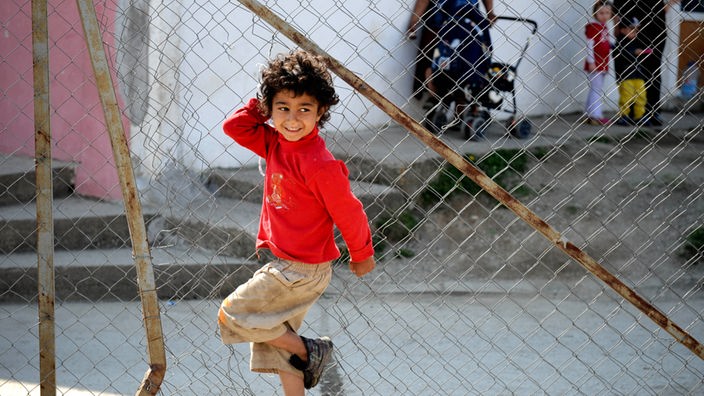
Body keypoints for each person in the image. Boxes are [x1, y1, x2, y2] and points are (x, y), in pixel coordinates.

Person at [217, 50, 376, 395]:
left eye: (304, 109)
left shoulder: (319, 163)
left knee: (234, 313)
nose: (292, 119)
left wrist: (361, 253)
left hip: (302, 270)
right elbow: (234, 127)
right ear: (270, 111)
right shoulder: (275, 143)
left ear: (321, 112)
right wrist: (263, 103)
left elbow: (349, 211)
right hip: (285, 264)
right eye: (282, 109)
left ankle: (312, 350)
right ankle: (302, 355)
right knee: (278, 350)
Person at [407, 0, 497, 103]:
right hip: (441, 21)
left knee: (469, 60)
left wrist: (490, 12)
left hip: (467, 23)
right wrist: (413, 23)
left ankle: (461, 102)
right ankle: (434, 95)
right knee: (432, 56)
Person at [613, 0, 680, 126]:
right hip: (630, 28)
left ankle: (651, 112)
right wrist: (617, 25)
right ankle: (630, 113)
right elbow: (617, 8)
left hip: (654, 30)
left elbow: (659, 7)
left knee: (652, 71)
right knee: (628, 70)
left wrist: (668, 4)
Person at [613, 16, 652, 125]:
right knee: (626, 96)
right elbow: (619, 54)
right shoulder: (620, 43)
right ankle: (624, 116)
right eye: (632, 29)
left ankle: (639, 116)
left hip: (638, 74)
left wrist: (643, 51)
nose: (635, 32)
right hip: (625, 75)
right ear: (623, 30)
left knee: (641, 95)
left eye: (636, 29)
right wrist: (634, 52)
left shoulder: (637, 41)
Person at [583, 1, 614, 126]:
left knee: (595, 89)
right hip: (596, 63)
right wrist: (591, 62)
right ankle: (596, 115)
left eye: (607, 13)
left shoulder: (604, 27)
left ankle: (588, 113)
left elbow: (605, 42)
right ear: (595, 13)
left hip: (603, 62)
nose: (604, 15)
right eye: (601, 13)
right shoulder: (593, 27)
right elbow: (590, 45)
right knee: (596, 89)